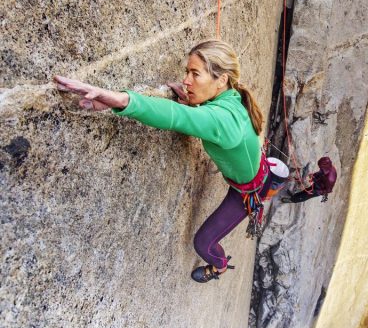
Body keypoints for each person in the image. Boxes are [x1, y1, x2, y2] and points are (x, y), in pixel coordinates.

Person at [54, 39, 272, 283]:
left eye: (195, 74)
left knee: (203, 243)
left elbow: (176, 116)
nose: (186, 81)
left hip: (251, 189)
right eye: (187, 72)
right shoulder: (231, 97)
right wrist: (198, 101)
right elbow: (202, 115)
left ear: (221, 80)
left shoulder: (225, 121)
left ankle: (219, 266)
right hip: (257, 171)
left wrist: (120, 100)